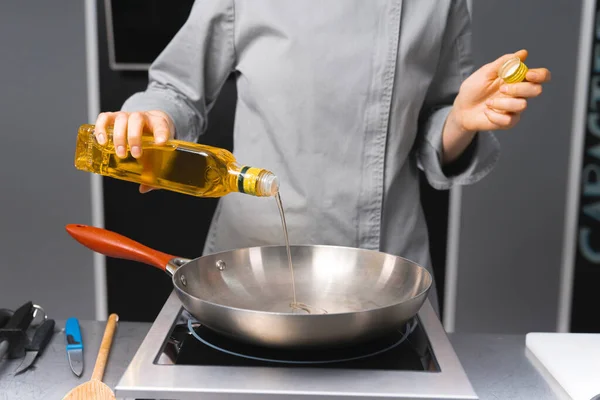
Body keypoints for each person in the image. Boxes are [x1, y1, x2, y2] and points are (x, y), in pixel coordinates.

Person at [93, 0, 550, 313]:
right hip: (254, 267)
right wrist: (153, 119)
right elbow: (177, 90)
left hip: (386, 267)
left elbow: (434, 124)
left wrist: (461, 122)